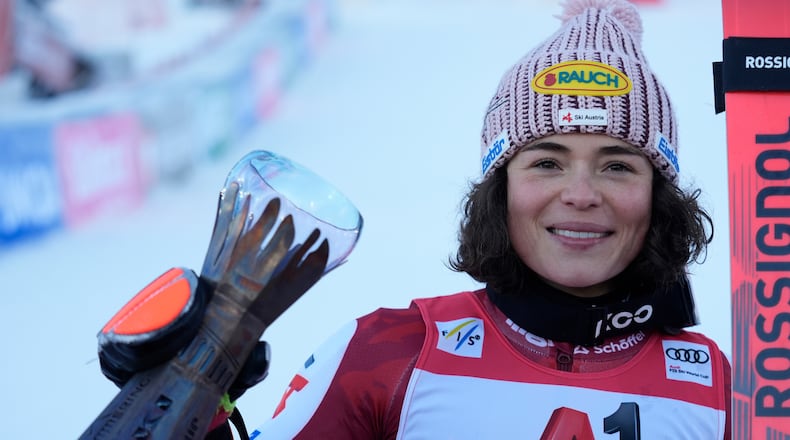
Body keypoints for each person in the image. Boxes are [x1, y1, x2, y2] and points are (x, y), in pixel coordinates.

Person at [94, 0, 731, 438]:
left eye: (619, 165)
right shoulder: (391, 350)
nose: (582, 193)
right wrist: (183, 404)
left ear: (660, 196)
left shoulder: (726, 386)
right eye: (546, 162)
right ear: (499, 191)